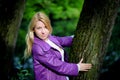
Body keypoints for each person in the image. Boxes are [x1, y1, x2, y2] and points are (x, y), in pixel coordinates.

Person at [24, 12, 92, 80]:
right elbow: (57, 65)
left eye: (45, 27)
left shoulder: (49, 38)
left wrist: (78, 36)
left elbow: (62, 40)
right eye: (39, 28)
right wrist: (77, 67)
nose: (43, 31)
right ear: (33, 30)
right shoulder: (38, 48)